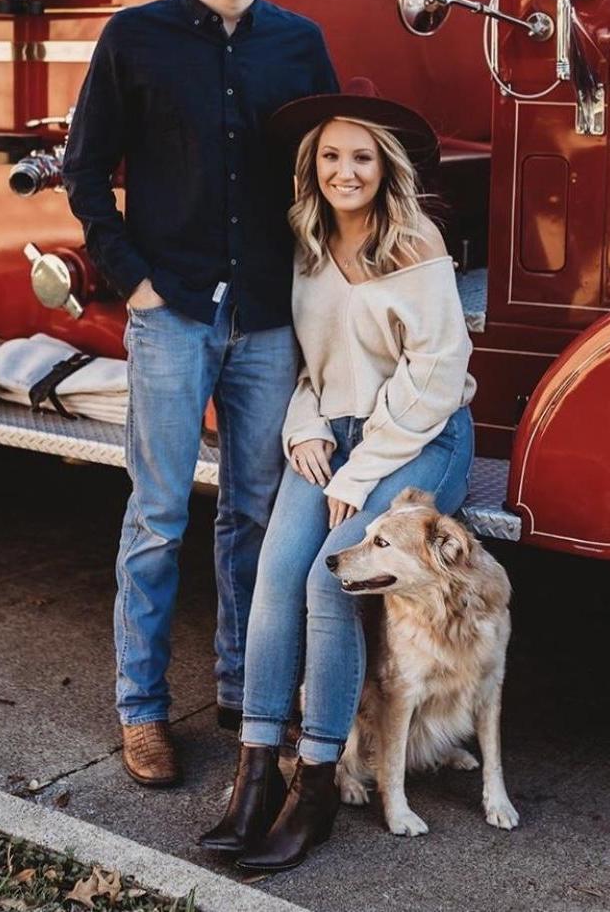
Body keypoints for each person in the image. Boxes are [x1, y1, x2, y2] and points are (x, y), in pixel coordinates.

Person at [62, 0, 338, 788]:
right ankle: (141, 709)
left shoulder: (299, 45)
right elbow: (84, 171)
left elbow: (331, 167)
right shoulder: (135, 38)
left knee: (255, 513)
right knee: (157, 514)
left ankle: (240, 689)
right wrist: (133, 281)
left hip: (267, 319)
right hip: (171, 314)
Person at [198, 82, 476, 871]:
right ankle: (256, 773)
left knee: (331, 578)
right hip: (336, 435)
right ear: (311, 165)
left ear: (384, 166)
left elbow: (436, 373)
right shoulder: (309, 241)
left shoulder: (413, 240)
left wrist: (362, 468)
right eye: (329, 156)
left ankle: (315, 781)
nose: (344, 171)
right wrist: (306, 426)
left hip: (420, 437)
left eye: (360, 157)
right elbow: (314, 363)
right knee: (273, 577)